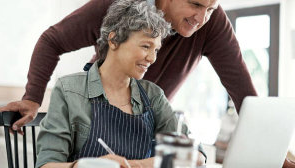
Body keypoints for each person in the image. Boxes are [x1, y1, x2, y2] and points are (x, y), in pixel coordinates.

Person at [0, 0, 295, 167]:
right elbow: (52, 40)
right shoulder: (118, 12)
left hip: (150, 119)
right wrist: (33, 97)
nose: (202, 18)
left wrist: (271, 149)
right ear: (112, 39)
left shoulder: (155, 96)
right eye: (195, 4)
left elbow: (241, 90)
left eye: (211, 8)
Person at [36, 1, 205, 168]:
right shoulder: (69, 90)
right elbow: (46, 165)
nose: (152, 58)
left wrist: (136, 165)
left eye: (156, 50)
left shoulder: (153, 96)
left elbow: (196, 155)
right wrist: (86, 166)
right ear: (114, 40)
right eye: (146, 46)